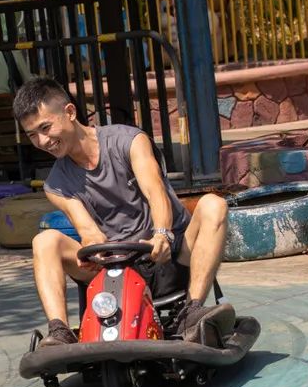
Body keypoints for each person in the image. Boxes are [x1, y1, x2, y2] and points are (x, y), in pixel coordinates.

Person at [12, 76, 229, 344]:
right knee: (44, 240)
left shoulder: (128, 140)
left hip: (169, 255)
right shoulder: (55, 184)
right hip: (118, 267)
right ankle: (60, 332)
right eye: (33, 135)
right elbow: (88, 231)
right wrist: (92, 248)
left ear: (69, 112)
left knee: (213, 204)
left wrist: (161, 234)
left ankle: (193, 311)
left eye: (46, 128)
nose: (43, 141)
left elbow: (155, 192)